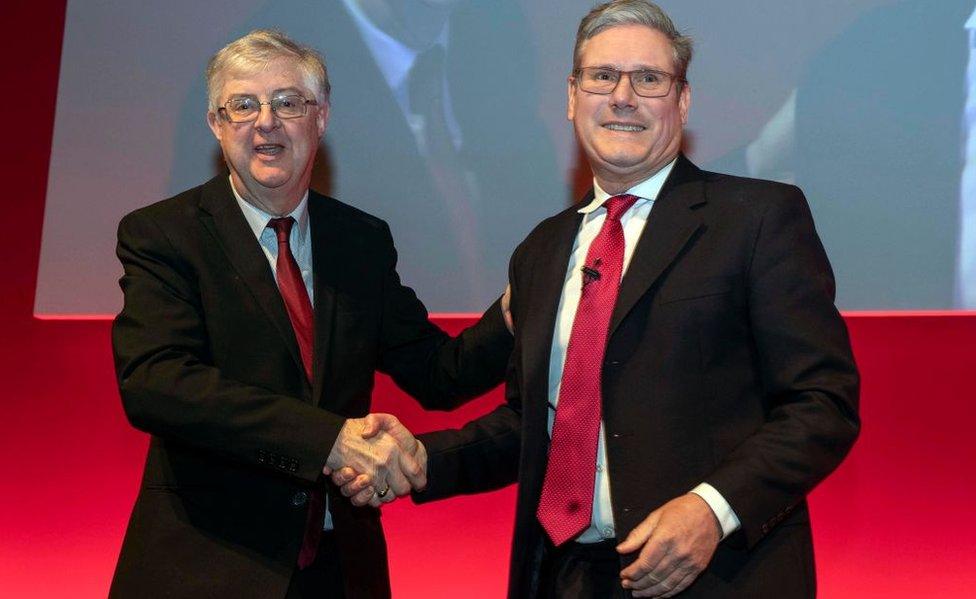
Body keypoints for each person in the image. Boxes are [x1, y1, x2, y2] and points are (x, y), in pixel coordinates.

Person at [335, 1, 860, 597]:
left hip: (716, 576)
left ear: (682, 101)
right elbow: (541, 426)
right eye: (603, 77)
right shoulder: (542, 250)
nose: (623, 96)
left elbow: (822, 402)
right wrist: (423, 460)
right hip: (566, 577)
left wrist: (712, 509)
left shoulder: (757, 218)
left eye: (649, 79)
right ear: (571, 96)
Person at [109, 29, 511, 598]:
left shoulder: (360, 240)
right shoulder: (164, 235)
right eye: (243, 105)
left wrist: (517, 312)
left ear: (320, 118)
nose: (265, 122)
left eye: (287, 102)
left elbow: (437, 373)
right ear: (215, 125)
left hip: (340, 570)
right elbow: (158, 382)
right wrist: (329, 440)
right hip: (209, 566)